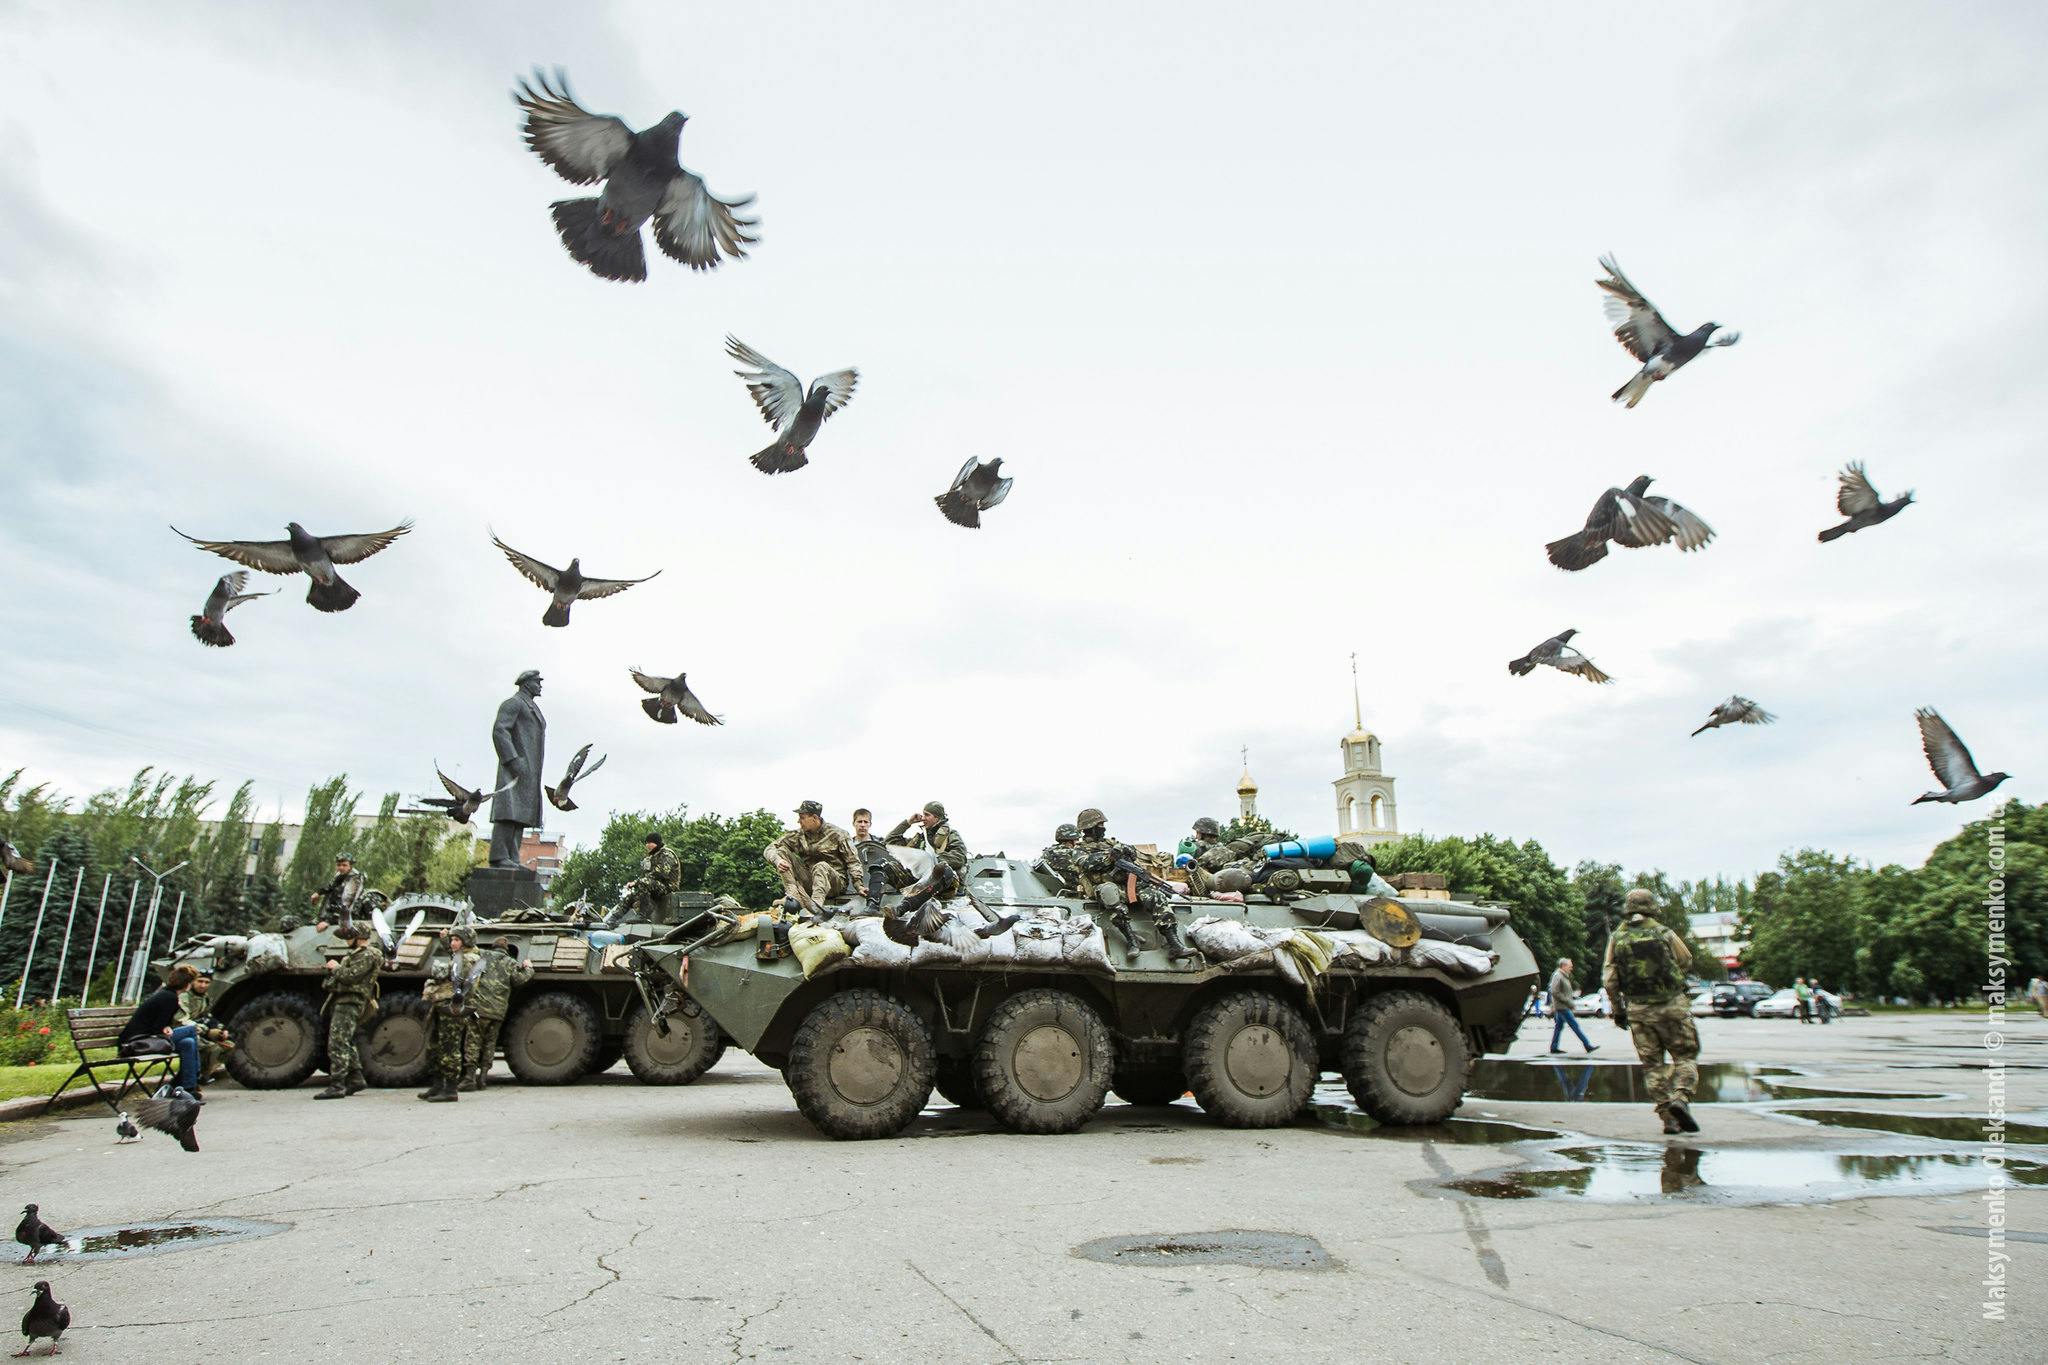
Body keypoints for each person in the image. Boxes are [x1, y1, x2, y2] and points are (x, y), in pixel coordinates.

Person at [1603, 889, 1699, 1134]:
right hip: (1673, 1006)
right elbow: (1686, 960)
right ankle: (1681, 1098)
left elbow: (1610, 980)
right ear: (1651, 906)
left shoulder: (1617, 938)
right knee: (1685, 1057)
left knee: (1652, 1065)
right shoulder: (1663, 932)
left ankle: (1668, 1117)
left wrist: (1618, 1010)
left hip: (1639, 1011)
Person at [1071, 807, 1198, 965]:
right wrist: (1110, 856)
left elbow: (1130, 851)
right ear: (1090, 827)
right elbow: (1087, 864)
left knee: (1155, 895)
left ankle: (1175, 944)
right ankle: (1132, 941)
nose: (1103, 828)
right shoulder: (1079, 850)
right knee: (1109, 892)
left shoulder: (1110, 843)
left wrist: (1127, 850)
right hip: (1103, 887)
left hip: (1126, 885)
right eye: (1100, 825)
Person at [316, 921, 382, 1099]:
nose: (346, 940)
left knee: (337, 1043)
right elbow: (334, 981)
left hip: (351, 1001)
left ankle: (337, 1085)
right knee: (345, 1041)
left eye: (349, 936)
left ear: (358, 937)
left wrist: (336, 968)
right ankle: (356, 1079)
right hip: (343, 1000)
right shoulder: (354, 955)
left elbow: (350, 977)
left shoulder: (369, 954)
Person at [420, 928, 484, 1103]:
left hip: (454, 1008)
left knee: (449, 1048)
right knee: (436, 1046)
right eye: (452, 939)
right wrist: (445, 941)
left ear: (466, 941)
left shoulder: (470, 959)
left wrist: (440, 972)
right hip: (444, 1005)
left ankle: (450, 1089)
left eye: (457, 940)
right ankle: (437, 1085)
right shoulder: (461, 956)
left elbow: (452, 975)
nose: (453, 943)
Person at [461, 937, 534, 1091]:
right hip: (498, 1012)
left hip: (479, 1009)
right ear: (506, 950)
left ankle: (469, 1078)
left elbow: (466, 955)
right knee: (490, 1043)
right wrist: (529, 968)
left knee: (473, 1042)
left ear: (493, 947)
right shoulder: (511, 962)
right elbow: (519, 980)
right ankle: (483, 1078)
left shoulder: (483, 955)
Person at [763, 801, 862, 913]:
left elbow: (853, 861)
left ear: (814, 818)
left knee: (821, 866)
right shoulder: (797, 835)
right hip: (809, 880)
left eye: (802, 817)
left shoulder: (838, 834)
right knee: (781, 851)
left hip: (834, 883)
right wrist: (778, 861)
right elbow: (769, 848)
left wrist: (858, 884)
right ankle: (793, 896)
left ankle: (815, 906)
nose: (799, 821)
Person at [118, 964, 203, 1095]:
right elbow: (157, 1028)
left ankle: (188, 1088)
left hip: (148, 1038)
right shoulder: (169, 998)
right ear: (187, 984)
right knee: (191, 1030)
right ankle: (196, 1074)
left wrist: (166, 1027)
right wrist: (164, 1028)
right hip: (137, 1042)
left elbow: (160, 1024)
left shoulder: (167, 995)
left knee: (188, 1043)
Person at [174, 968, 235, 1085]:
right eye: (200, 981)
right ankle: (191, 1077)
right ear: (192, 982)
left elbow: (207, 1017)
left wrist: (221, 1029)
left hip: (198, 1031)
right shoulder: (184, 997)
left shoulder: (204, 998)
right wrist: (207, 1031)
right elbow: (181, 1020)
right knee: (211, 1048)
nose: (203, 985)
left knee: (229, 1046)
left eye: (207, 982)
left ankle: (204, 1074)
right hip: (183, 1032)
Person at [608, 831, 680, 926]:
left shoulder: (667, 854)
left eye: (649, 843)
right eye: (646, 843)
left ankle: (642, 916)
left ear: (656, 843)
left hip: (668, 888)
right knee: (630, 897)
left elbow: (660, 873)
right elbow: (646, 876)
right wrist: (637, 882)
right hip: (655, 887)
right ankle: (612, 920)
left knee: (643, 883)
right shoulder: (652, 857)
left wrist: (636, 882)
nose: (647, 845)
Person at [887, 802, 970, 878]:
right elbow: (890, 841)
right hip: (917, 877)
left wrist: (931, 860)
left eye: (927, 815)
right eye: (923, 814)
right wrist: (908, 822)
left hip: (938, 880)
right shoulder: (920, 838)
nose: (923, 818)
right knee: (886, 867)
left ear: (937, 817)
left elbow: (959, 857)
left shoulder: (951, 835)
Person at [1546, 957, 1599, 1055]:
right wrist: (1568, 1002)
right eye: (1570, 966)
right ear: (1563, 966)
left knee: (1558, 1027)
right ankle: (1587, 1045)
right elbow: (1554, 991)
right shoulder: (1558, 976)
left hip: (1562, 1006)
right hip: (1562, 1007)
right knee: (1575, 1026)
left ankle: (1554, 1047)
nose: (1571, 968)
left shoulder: (1563, 976)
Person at [311, 852, 365, 932]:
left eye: (344, 865)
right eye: (339, 865)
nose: (341, 867)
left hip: (344, 922)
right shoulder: (340, 875)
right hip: (332, 918)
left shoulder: (355, 879)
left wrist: (328, 921)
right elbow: (330, 886)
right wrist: (318, 893)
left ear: (350, 866)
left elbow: (347, 904)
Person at [1035, 823, 1084, 893]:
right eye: (1077, 839)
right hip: (1074, 892)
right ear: (1072, 840)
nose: (1078, 842)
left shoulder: (1047, 853)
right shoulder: (1075, 853)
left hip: (1052, 890)